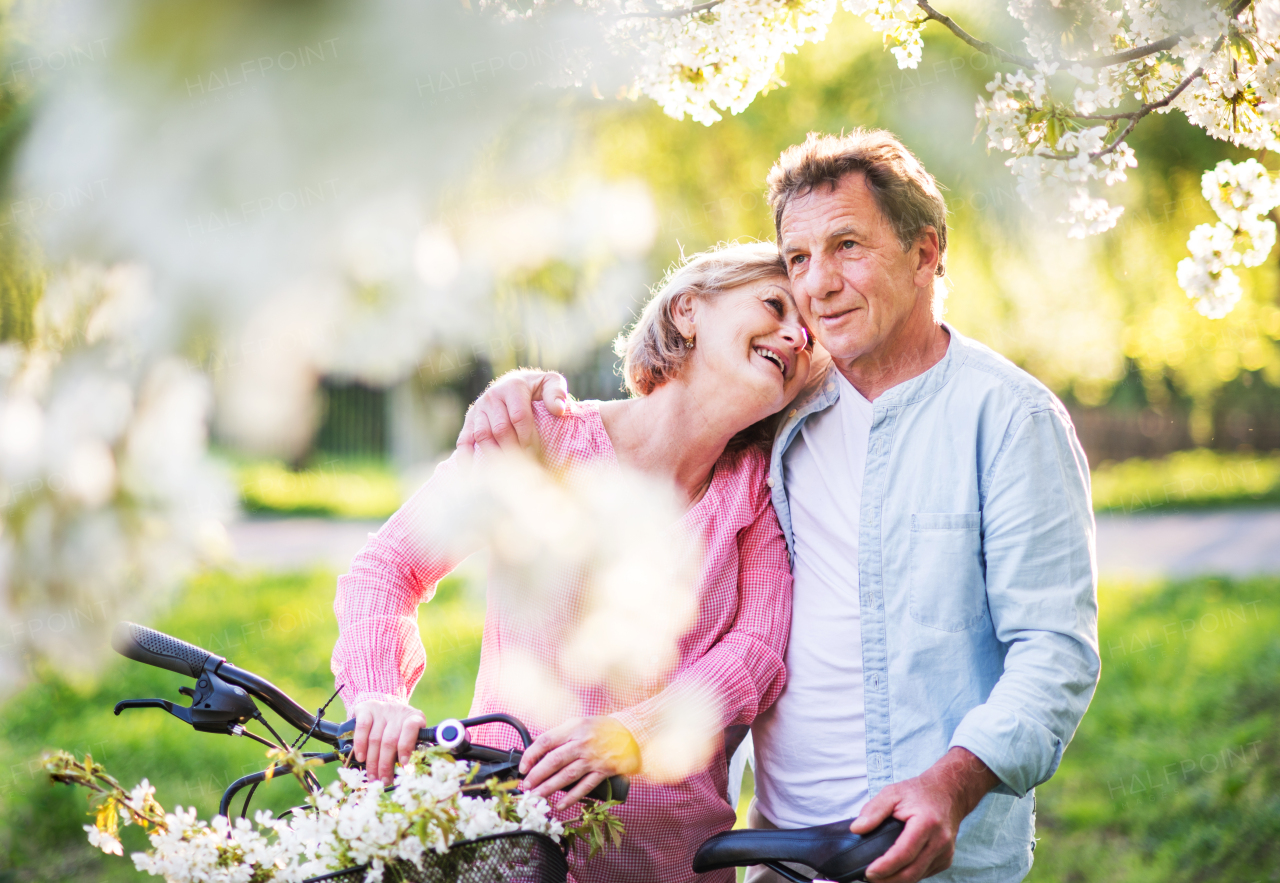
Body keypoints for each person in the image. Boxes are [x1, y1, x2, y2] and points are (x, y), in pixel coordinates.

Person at [459, 129, 1102, 883]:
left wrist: (951, 784)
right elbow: (671, 405)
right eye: (798, 259)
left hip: (943, 856)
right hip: (781, 856)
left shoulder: (1009, 419)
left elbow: (1056, 653)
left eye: (848, 245)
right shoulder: (781, 414)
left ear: (926, 253)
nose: (819, 284)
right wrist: (527, 391)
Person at [331, 242, 812, 883]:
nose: (795, 332)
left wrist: (633, 732)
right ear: (689, 310)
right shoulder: (545, 436)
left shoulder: (754, 493)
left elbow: (755, 652)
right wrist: (377, 698)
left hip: (666, 861)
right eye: (775, 304)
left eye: (808, 334)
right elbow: (387, 569)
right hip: (504, 834)